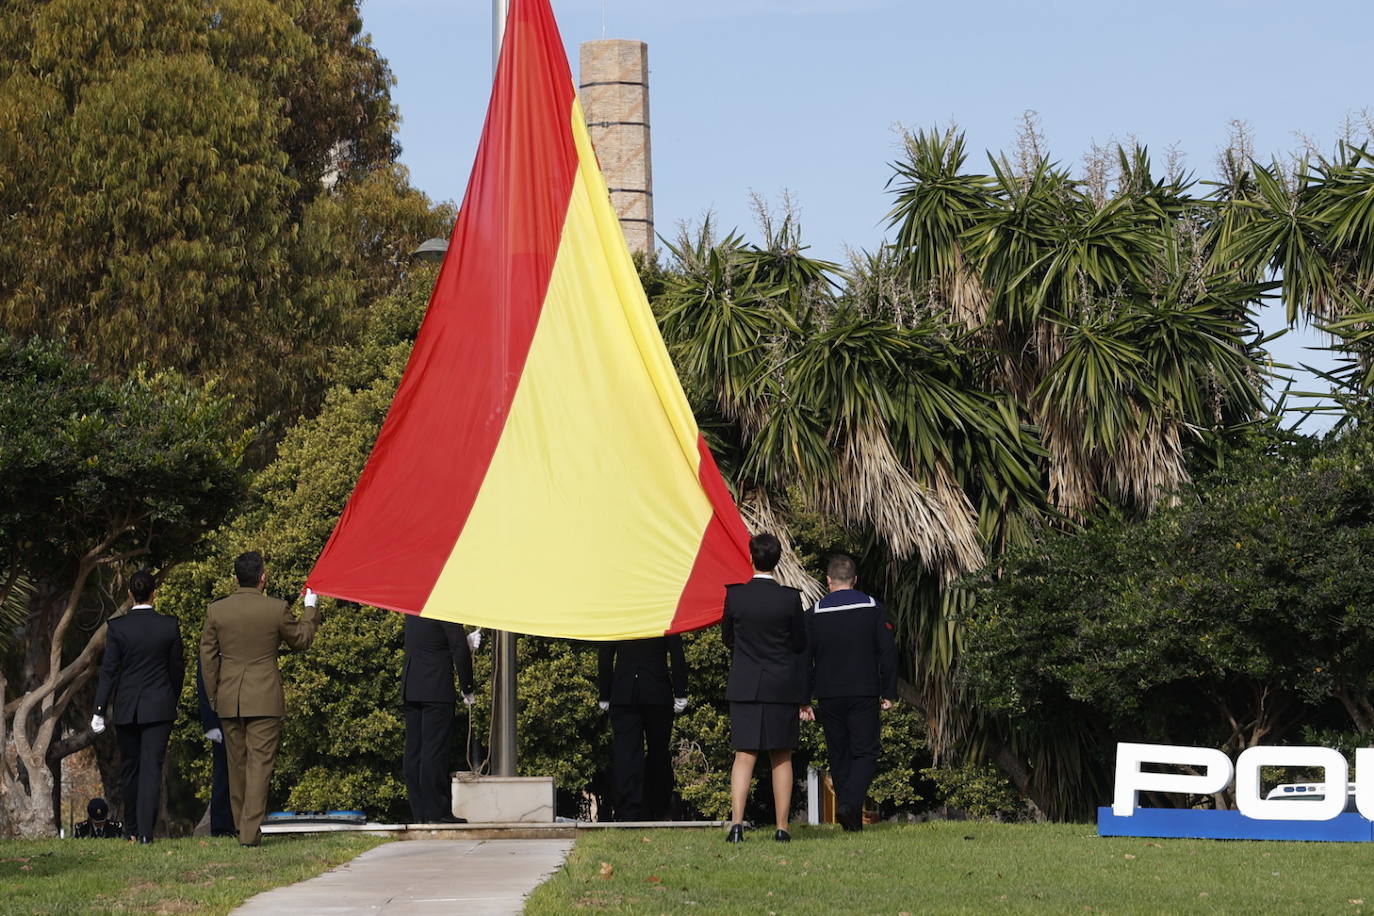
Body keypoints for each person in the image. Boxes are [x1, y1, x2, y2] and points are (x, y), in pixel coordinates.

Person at [199, 551, 322, 847]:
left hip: (229, 697)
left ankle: (244, 828)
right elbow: (302, 640)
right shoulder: (276, 609)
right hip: (264, 696)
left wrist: (214, 694)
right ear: (262, 578)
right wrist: (310, 609)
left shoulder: (217, 611)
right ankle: (249, 834)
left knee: (236, 766)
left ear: (236, 577)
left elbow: (207, 656)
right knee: (259, 766)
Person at [800, 553, 899, 832]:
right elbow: (888, 652)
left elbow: (803, 658)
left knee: (839, 754)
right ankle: (849, 804)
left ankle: (851, 823)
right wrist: (889, 690)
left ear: (828, 581)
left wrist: (803, 698)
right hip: (863, 690)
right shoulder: (872, 607)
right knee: (865, 752)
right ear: (855, 580)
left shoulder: (815, 612)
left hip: (829, 693)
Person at [721, 532, 806, 843]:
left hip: (745, 683)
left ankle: (737, 826)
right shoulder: (790, 598)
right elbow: (799, 642)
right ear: (778, 560)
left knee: (744, 755)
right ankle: (782, 828)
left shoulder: (735, 596)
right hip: (781, 685)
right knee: (781, 756)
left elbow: (727, 638)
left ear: (750, 557)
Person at [91, 569, 184, 843]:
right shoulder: (169, 625)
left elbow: (109, 671)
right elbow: (177, 669)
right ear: (154, 593)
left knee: (130, 769)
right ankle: (145, 833)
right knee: (152, 771)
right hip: (159, 707)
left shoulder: (118, 627)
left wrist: (98, 710)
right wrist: (171, 698)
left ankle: (130, 829)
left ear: (130, 594)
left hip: (127, 708)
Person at [597, 635, 689, 821]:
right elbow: (676, 651)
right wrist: (680, 690)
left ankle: (628, 810)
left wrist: (605, 693)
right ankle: (658, 806)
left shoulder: (618, 614)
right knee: (658, 752)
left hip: (624, 691)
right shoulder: (663, 610)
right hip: (657, 690)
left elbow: (606, 653)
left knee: (627, 754)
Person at [402, 615, 476, 823]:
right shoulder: (444, 609)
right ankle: (437, 811)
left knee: (415, 751)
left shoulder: (414, 609)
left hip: (412, 684)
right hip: (436, 686)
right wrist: (467, 687)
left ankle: (420, 812)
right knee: (434, 751)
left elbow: (431, 642)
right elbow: (458, 647)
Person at [196, 660, 235, 837]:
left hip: (240, 709)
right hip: (222, 712)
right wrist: (210, 722)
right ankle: (222, 825)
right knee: (223, 769)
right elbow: (205, 677)